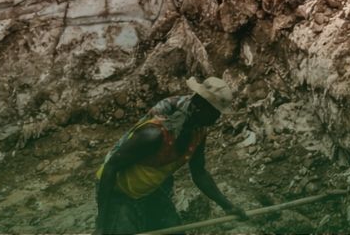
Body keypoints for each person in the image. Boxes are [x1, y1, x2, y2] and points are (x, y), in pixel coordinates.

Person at [95, 77, 248, 235]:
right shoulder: (154, 134)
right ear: (199, 106)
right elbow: (111, 167)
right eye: (215, 113)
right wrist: (102, 223)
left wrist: (228, 206)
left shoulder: (198, 131)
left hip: (150, 189)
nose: (217, 119)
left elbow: (199, 172)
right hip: (119, 191)